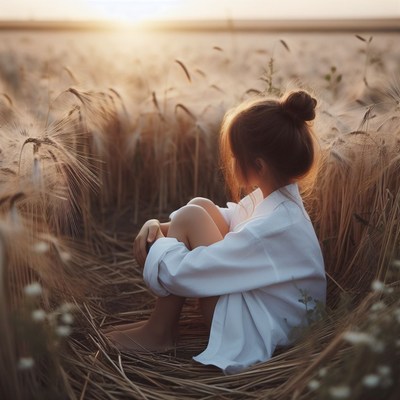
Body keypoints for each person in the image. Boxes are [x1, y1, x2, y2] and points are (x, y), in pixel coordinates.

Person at [105, 90, 326, 374]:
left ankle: (159, 332)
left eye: (235, 157)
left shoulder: (274, 228)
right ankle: (160, 327)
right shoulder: (280, 204)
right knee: (199, 207)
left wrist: (157, 248)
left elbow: (187, 272)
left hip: (266, 328)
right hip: (273, 312)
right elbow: (232, 219)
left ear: (258, 165)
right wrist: (156, 226)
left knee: (191, 216)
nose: (232, 164)